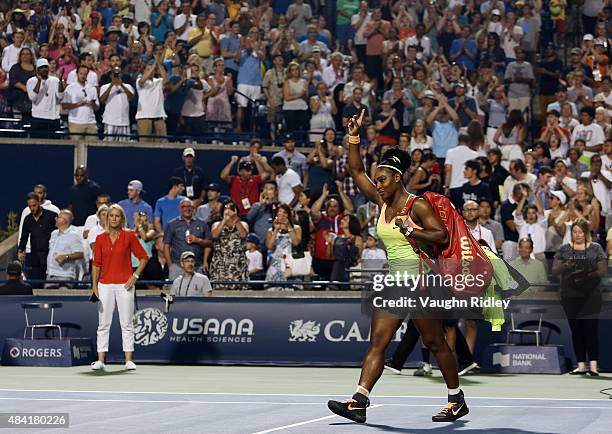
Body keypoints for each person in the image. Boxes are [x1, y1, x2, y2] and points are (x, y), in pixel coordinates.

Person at [327, 110, 468, 423]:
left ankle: (456, 399)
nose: (376, 184)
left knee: (433, 342)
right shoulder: (380, 202)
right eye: (375, 180)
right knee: (378, 341)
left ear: (397, 178)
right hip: (394, 282)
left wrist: (411, 229)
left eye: (382, 180)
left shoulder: (416, 205)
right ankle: (359, 400)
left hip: (423, 282)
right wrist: (353, 135)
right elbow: (355, 169)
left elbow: (440, 235)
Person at [91, 204, 149, 371]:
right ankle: (101, 360)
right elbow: (96, 264)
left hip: (125, 285)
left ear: (121, 218)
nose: (114, 218)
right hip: (104, 285)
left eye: (117, 216)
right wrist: (94, 286)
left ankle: (128, 360)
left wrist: (135, 276)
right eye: (111, 216)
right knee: (103, 323)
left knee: (127, 323)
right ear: (107, 218)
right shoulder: (101, 239)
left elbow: (144, 257)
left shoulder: (129, 236)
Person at [552, 219, 607, 376]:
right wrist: (566, 265)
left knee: (590, 329)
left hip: (591, 296)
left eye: (580, 232)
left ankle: (594, 366)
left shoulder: (596, 248)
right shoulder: (564, 249)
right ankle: (581, 365)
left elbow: (602, 269)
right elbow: (555, 270)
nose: (577, 235)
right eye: (575, 232)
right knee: (576, 330)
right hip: (570, 296)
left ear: (586, 233)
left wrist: (587, 274)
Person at [163, 198, 211, 281]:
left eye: (189, 206)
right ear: (180, 209)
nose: (187, 209)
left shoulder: (202, 224)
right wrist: (171, 265)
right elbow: (166, 246)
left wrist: (198, 240)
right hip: (177, 266)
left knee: (198, 293)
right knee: (176, 293)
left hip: (198, 266)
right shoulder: (172, 224)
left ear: (193, 208)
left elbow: (209, 243)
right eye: (184, 206)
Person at [17, 192, 59, 281]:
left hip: (50, 257)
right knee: (36, 284)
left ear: (39, 203)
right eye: (30, 206)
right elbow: (24, 236)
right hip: (35, 258)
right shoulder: (28, 219)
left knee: (50, 286)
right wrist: (20, 250)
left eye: (34, 205)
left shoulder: (51, 216)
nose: (32, 208)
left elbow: (59, 233)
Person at [209, 199, 249, 290]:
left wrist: (236, 220)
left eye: (232, 208)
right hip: (220, 265)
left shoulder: (243, 224)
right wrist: (224, 220)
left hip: (238, 264)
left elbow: (243, 235)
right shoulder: (216, 224)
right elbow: (214, 235)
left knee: (239, 294)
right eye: (226, 208)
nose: (229, 211)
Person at [265, 204, 302, 290]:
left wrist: (289, 227)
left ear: (288, 215)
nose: (282, 215)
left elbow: (296, 243)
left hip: (291, 264)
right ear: (276, 215)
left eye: (285, 213)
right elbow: (270, 246)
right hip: (275, 265)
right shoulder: (270, 231)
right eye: (279, 212)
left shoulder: (296, 228)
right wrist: (276, 230)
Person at [45, 209, 85, 288]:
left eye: (58, 217)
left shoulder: (73, 236)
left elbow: (80, 254)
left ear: (65, 221)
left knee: (63, 299)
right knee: (48, 299)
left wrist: (65, 257)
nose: (55, 219)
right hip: (50, 275)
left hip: (65, 276)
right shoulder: (54, 234)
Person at [27, 58, 66, 138]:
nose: (44, 69)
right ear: (37, 70)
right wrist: (39, 81)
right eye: (41, 67)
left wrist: (60, 81)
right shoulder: (31, 81)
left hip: (53, 118)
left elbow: (60, 96)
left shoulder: (55, 80)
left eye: (45, 67)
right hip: (38, 118)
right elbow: (32, 97)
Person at [62, 65, 99, 140]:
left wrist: (92, 103)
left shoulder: (92, 88)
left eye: (85, 74)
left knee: (93, 148)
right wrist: (79, 104)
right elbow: (64, 106)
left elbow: (97, 108)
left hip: (91, 123)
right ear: (77, 74)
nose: (83, 76)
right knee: (76, 148)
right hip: (75, 123)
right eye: (81, 74)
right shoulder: (70, 88)